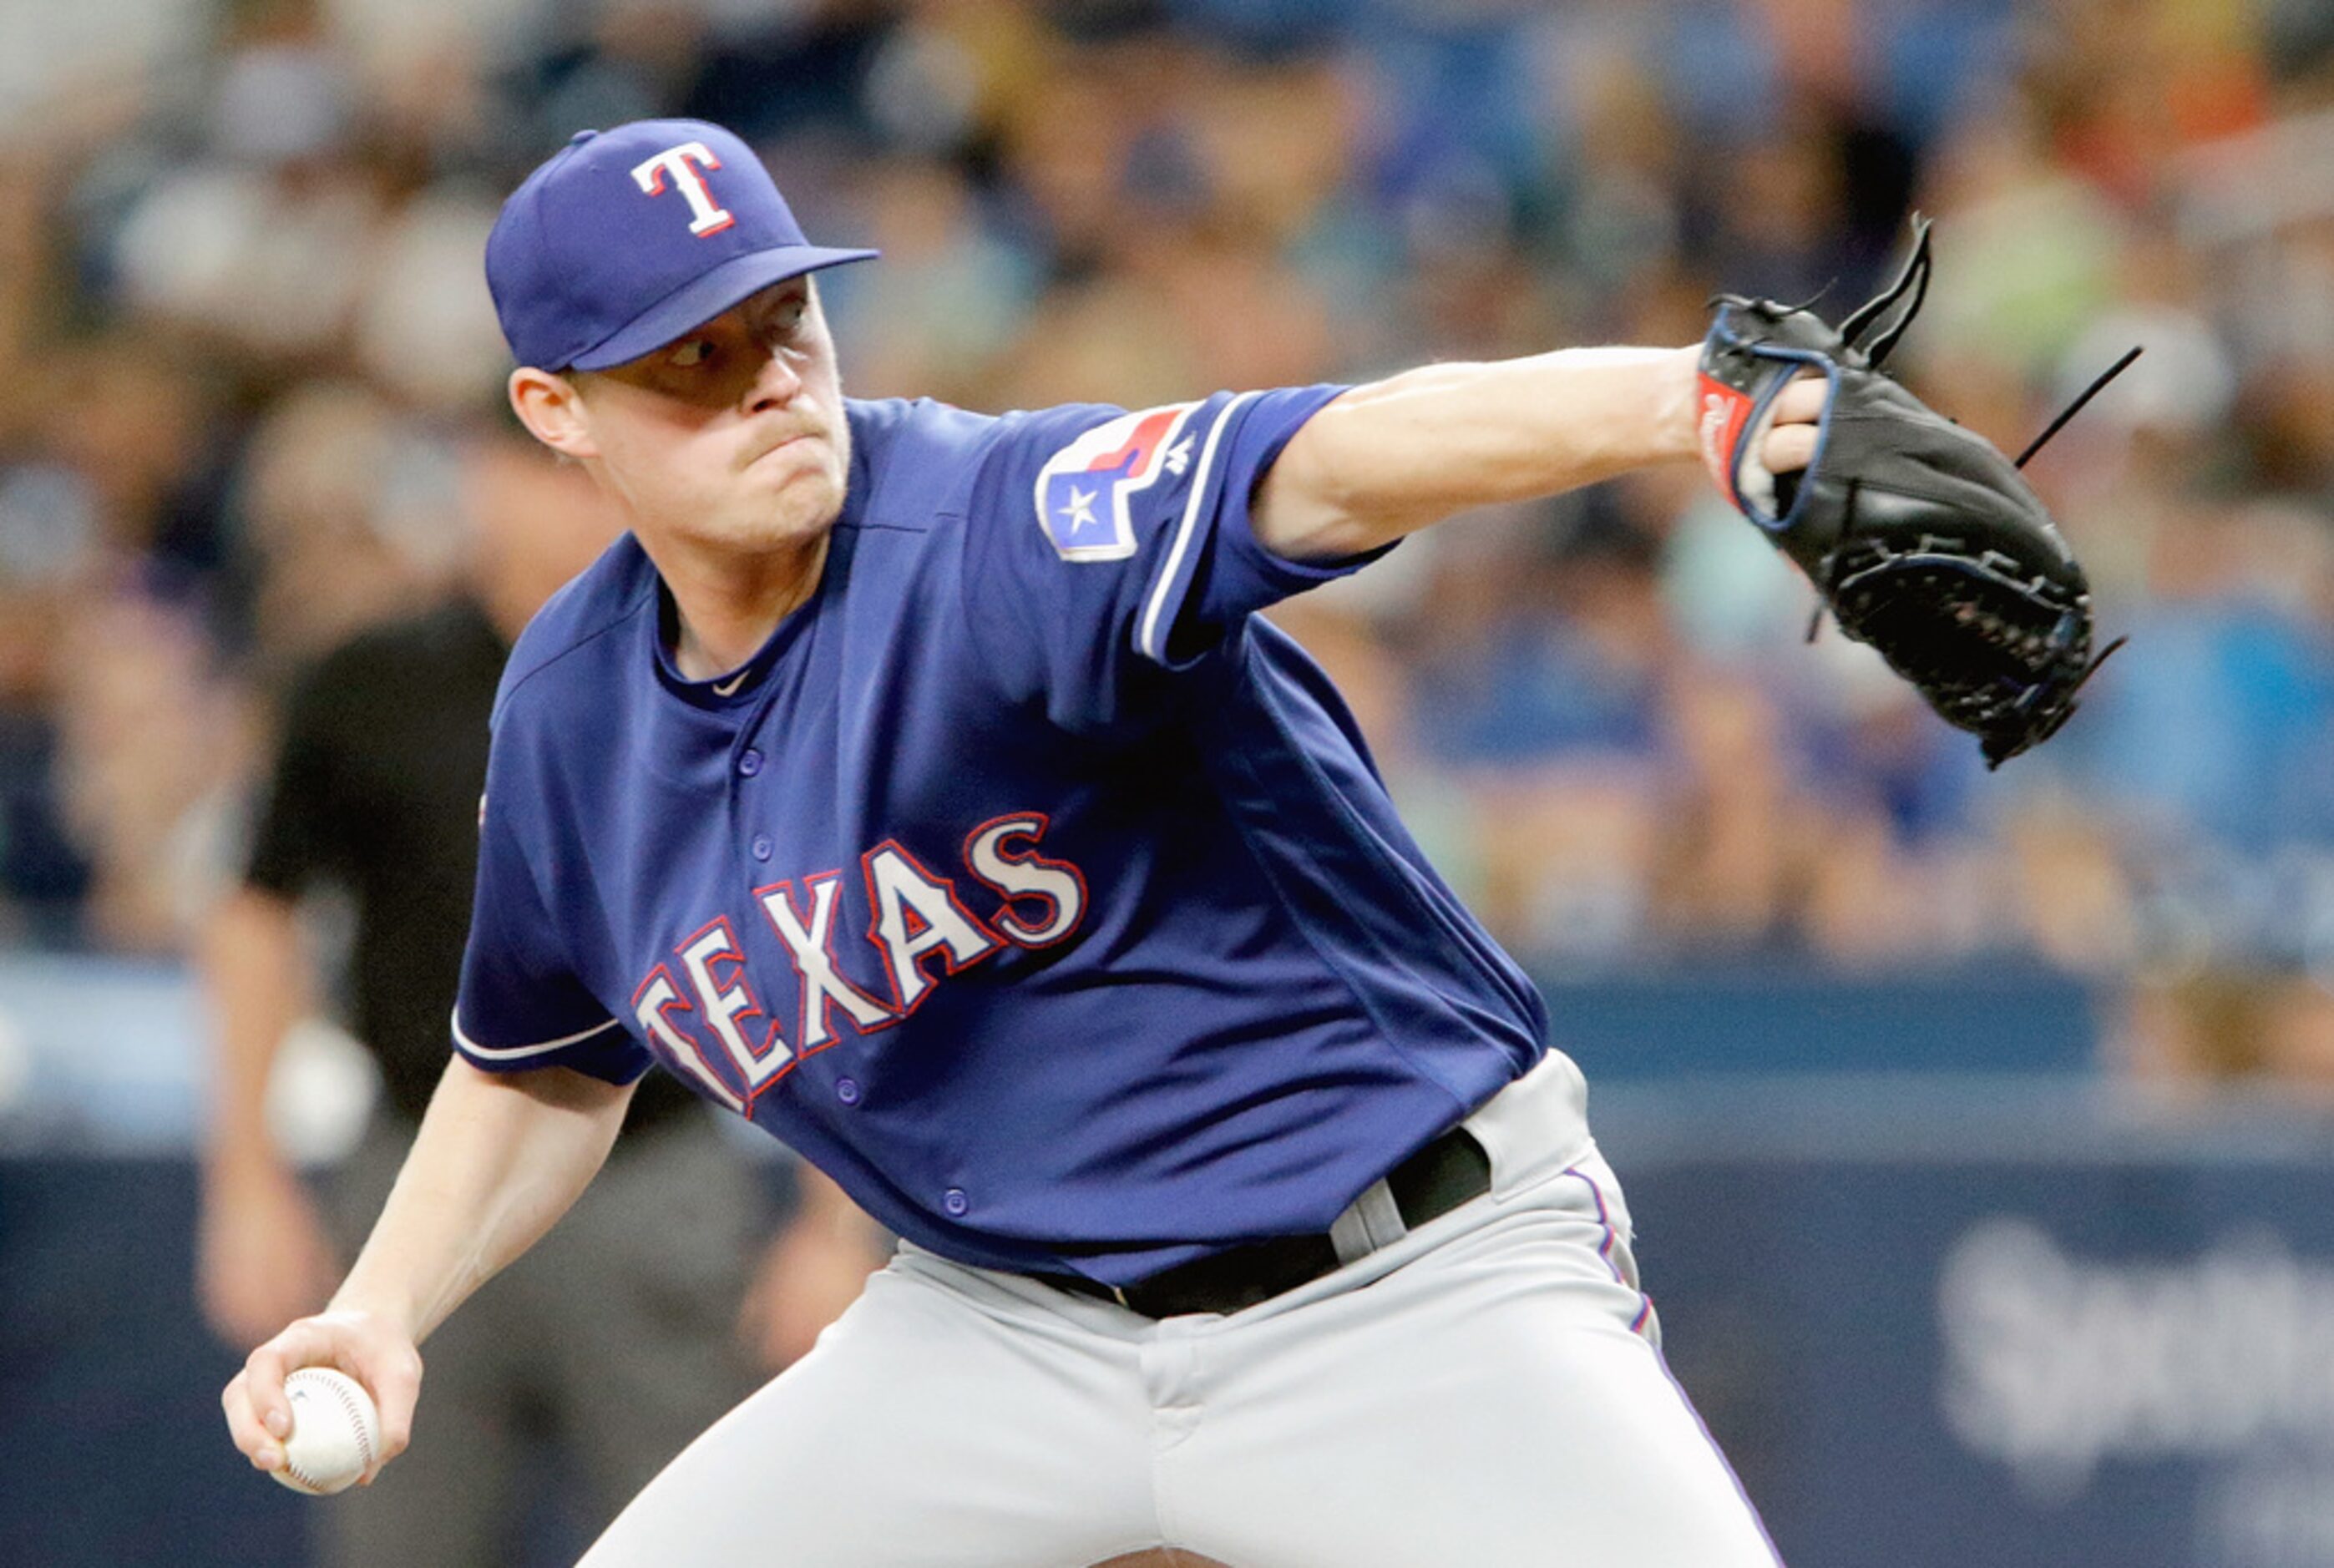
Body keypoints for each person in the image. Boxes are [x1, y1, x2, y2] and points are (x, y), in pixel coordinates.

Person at [222, 118, 1824, 1565]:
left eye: (783, 318)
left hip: (1401, 1285)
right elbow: (542, 1062)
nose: (769, 376)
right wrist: (380, 1306)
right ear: (556, 411)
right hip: (1001, 1337)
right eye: (689, 358)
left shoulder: (997, 520)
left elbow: (1333, 455)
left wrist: (1686, 399)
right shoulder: (571, 709)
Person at [200, 433, 883, 1563]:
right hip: (415, 1168)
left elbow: (805, 936)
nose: (566, 504)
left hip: (656, 1173)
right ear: (478, 476)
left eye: (589, 473)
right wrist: (247, 1180)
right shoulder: (371, 679)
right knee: (402, 1537)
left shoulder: (718, 674)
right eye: (537, 470)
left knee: (699, 1540)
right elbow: (254, 914)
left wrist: (831, 1220)